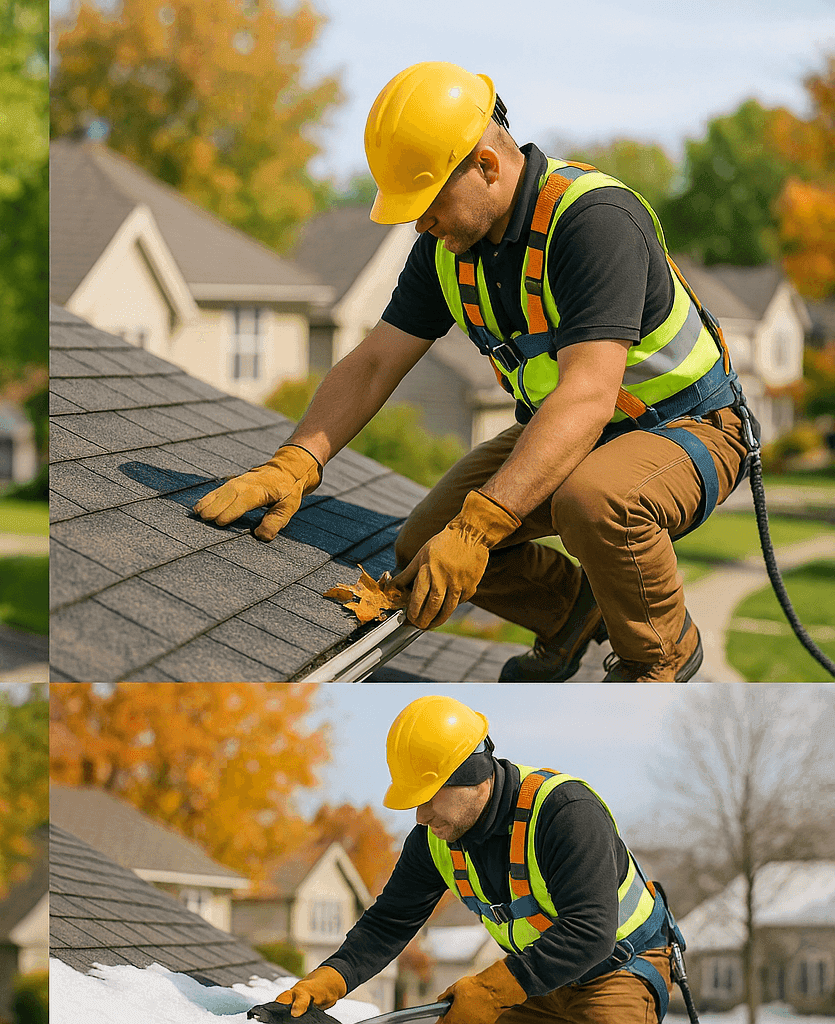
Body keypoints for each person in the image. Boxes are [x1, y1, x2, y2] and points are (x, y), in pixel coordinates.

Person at [193, 61, 754, 681]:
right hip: (574, 428)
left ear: (487, 165)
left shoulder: (592, 222)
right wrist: (296, 460)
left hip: (689, 429)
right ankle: (573, 613)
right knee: (422, 544)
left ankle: (662, 655)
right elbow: (376, 359)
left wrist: (481, 526)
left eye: (428, 203)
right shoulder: (446, 249)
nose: (419, 222)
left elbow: (589, 393)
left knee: (594, 501)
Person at [276, 695, 678, 1024]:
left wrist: (489, 990)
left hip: (619, 969)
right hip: (539, 978)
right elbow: (388, 924)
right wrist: (330, 977)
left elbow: (590, 932)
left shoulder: (566, 813)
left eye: (429, 796)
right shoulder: (434, 839)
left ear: (472, 775)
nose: (420, 816)